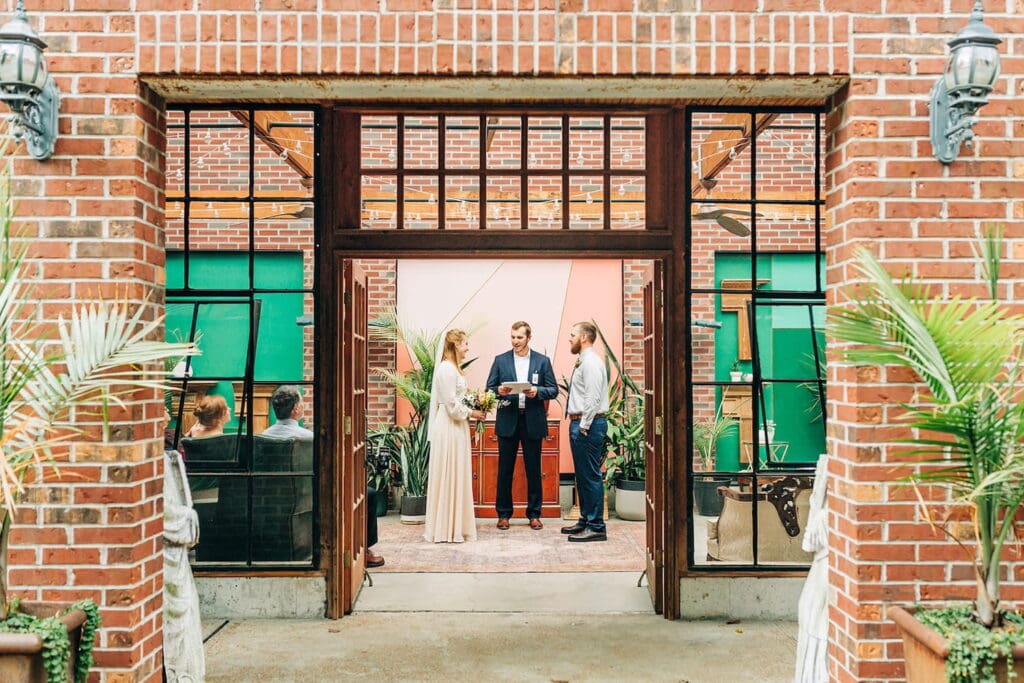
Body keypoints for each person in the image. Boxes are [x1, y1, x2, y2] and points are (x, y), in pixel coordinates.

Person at [261, 385, 384, 567]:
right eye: (301, 402)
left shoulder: (264, 437)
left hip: (274, 498)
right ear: (296, 409)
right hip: (310, 495)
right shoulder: (308, 439)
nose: (302, 406)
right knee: (370, 494)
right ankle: (363, 550)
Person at [485, 321, 558, 530]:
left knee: (534, 470)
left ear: (528, 338)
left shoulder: (542, 361)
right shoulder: (501, 360)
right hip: (508, 420)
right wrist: (499, 391)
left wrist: (538, 392)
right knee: (504, 470)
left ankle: (534, 514)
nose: (515, 341)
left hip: (532, 420)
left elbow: (552, 389)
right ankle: (504, 515)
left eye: (519, 337)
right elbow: (489, 389)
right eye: (513, 337)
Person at [423, 329, 485, 543]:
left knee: (456, 472)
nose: (467, 348)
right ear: (456, 345)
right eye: (465, 344)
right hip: (449, 426)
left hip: (457, 427)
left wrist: (475, 402)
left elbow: (457, 399)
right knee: (449, 471)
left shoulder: (453, 369)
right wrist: (472, 412)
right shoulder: (447, 370)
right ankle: (446, 528)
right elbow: (450, 405)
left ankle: (455, 524)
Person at [562, 321, 610, 542]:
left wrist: (583, 426)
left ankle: (596, 526)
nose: (569, 338)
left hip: (587, 425)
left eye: (572, 335)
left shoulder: (591, 362)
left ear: (583, 337)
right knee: (582, 476)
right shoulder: (583, 360)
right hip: (582, 423)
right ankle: (585, 520)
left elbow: (592, 398)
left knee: (590, 476)